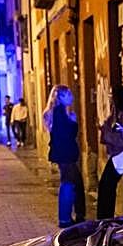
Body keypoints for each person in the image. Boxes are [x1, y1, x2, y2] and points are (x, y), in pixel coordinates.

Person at [44, 85, 85, 225]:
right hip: (65, 155)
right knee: (69, 184)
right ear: (60, 97)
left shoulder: (57, 112)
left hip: (64, 154)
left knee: (72, 183)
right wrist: (73, 122)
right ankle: (66, 219)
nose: (72, 97)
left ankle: (70, 217)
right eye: (68, 94)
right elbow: (67, 135)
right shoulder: (59, 113)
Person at [96, 85, 123, 219]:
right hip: (116, 155)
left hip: (122, 156)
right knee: (106, 186)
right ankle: (105, 217)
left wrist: (106, 133)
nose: (110, 97)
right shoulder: (114, 112)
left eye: (112, 94)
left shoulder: (122, 114)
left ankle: (104, 219)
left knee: (106, 185)